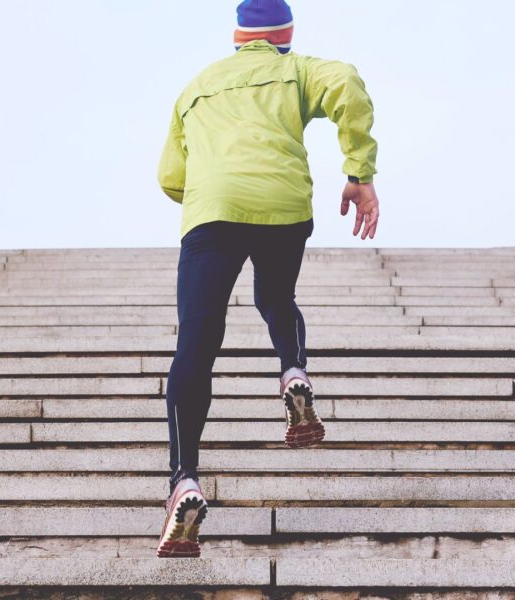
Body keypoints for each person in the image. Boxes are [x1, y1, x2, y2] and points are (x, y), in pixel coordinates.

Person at [155, 0, 379, 558]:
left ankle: (184, 478)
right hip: (283, 204)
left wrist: (212, 189)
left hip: (212, 211)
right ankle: (293, 372)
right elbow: (347, 81)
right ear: (283, 36)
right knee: (276, 296)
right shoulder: (296, 68)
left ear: (238, 39)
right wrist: (359, 172)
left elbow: (170, 176)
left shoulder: (196, 86)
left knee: (197, 342)